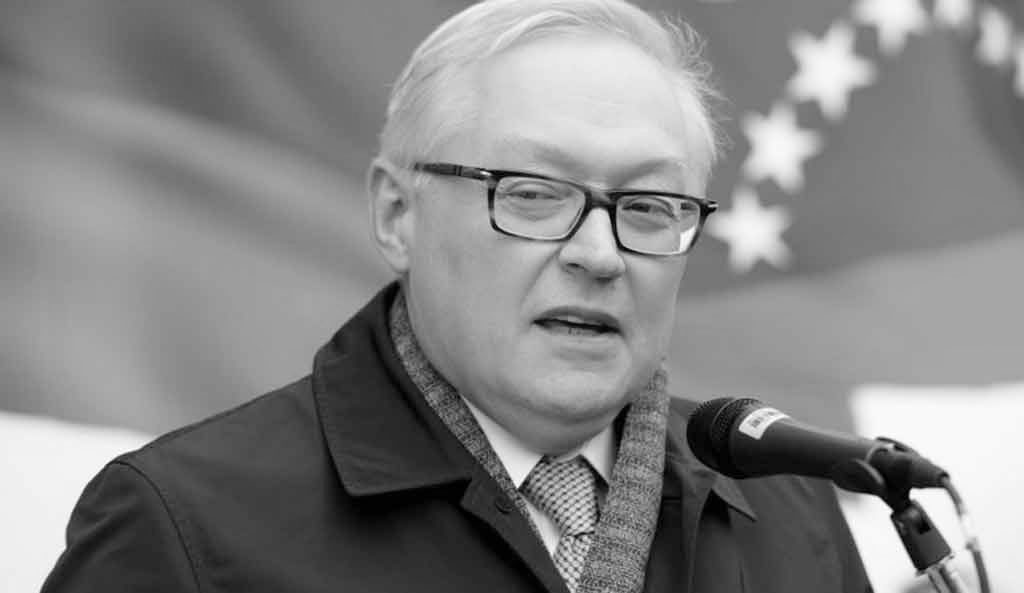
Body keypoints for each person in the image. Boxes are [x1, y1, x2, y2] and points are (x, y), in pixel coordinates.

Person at [43, 1, 873, 592]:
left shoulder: (787, 510)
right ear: (397, 214)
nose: (598, 254)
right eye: (532, 194)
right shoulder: (188, 527)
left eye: (649, 207)